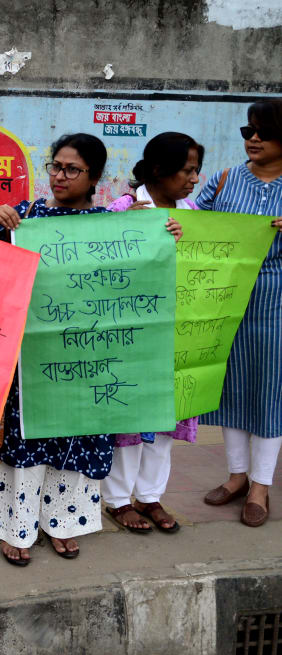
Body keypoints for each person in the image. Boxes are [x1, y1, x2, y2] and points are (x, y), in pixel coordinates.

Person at [0, 133, 113, 566]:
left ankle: (64, 523)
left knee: (77, 436)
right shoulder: (25, 218)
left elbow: (142, 267)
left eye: (71, 169)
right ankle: (19, 528)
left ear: (94, 176)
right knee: (29, 436)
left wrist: (165, 232)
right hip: (33, 357)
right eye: (55, 166)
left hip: (88, 355)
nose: (59, 176)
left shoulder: (110, 225)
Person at [102, 132, 200, 534]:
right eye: (187, 170)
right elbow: (105, 264)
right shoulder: (123, 208)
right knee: (129, 416)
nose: (194, 178)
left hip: (173, 333)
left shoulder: (191, 211)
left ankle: (151, 496)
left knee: (164, 418)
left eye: (196, 170)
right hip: (133, 334)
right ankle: (118, 499)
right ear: (160, 170)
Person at [197, 99, 282, 527]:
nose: (252, 139)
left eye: (262, 133)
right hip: (225, 297)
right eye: (247, 132)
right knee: (228, 385)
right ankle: (236, 476)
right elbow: (195, 221)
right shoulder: (226, 178)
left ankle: (261, 486)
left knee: (269, 390)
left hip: (275, 300)